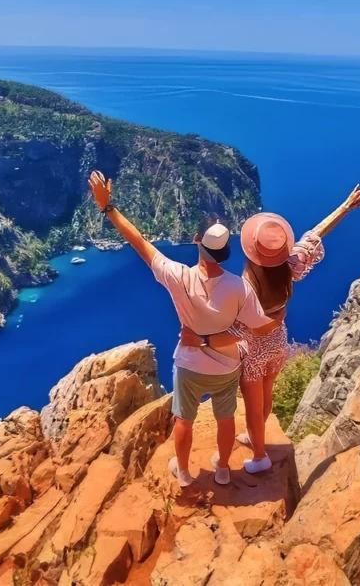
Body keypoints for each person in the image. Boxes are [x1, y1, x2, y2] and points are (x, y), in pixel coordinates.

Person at [87, 170, 278, 488]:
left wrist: (108, 207)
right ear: (224, 251)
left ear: (196, 242)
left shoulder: (176, 275)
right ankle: (223, 469)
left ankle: (186, 473)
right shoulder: (239, 287)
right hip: (228, 366)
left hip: (188, 364)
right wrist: (277, 314)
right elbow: (257, 330)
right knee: (225, 418)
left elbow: (138, 242)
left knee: (184, 420)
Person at [181, 184, 360, 473]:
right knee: (266, 393)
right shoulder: (291, 265)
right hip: (278, 341)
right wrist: (346, 206)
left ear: (250, 250)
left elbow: (244, 327)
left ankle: (259, 456)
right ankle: (254, 436)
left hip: (253, 350)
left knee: (252, 403)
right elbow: (316, 234)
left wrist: (204, 340)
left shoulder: (243, 288)